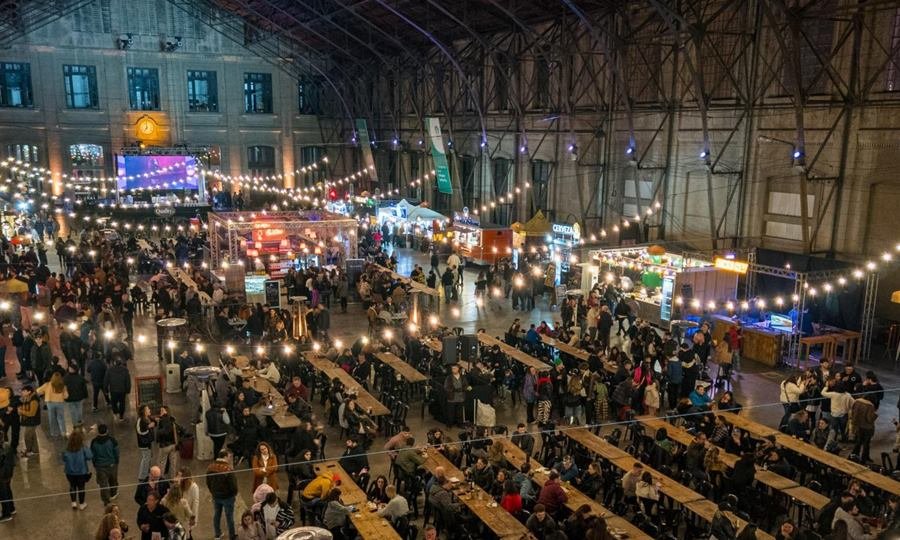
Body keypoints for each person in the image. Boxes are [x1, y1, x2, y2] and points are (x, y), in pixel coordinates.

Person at [207, 450, 238, 540]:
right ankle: (231, 536)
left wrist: (212, 492)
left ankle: (217, 534)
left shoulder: (210, 467)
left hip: (216, 496)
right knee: (229, 517)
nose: (229, 458)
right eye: (229, 456)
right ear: (225, 457)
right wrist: (234, 494)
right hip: (228, 497)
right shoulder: (228, 468)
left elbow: (208, 482)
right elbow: (233, 485)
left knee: (217, 515)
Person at [62, 429, 93, 510]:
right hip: (81, 472)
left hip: (69, 472)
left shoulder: (67, 448)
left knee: (72, 486)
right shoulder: (83, 448)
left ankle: (73, 503)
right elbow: (90, 456)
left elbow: (64, 458)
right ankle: (82, 504)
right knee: (81, 487)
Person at [91, 423, 120, 506]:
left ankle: (106, 500)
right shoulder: (112, 440)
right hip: (111, 464)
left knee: (103, 484)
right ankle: (113, 493)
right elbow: (116, 452)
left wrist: (95, 464)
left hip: (100, 466)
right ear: (107, 430)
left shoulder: (94, 442)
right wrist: (116, 461)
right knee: (113, 480)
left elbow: (93, 455)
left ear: (98, 431)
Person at [37, 371, 68, 438]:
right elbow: (66, 396)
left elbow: (38, 391)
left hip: (50, 403)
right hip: (60, 403)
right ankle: (63, 432)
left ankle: (54, 433)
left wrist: (44, 393)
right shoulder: (63, 386)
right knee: (61, 418)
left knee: (52, 418)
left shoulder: (47, 385)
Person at [849, 392, 877, 463]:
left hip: (858, 425)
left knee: (858, 442)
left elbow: (852, 412)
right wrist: (875, 415)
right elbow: (869, 419)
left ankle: (854, 455)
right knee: (866, 444)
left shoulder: (857, 401)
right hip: (867, 428)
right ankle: (863, 459)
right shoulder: (870, 405)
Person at [155, 405, 179, 476]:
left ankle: (161, 478)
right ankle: (173, 478)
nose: (160, 412)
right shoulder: (172, 419)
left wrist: (158, 432)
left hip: (164, 446)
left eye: (162, 410)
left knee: (161, 463)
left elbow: (162, 432)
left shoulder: (162, 420)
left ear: (166, 411)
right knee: (173, 463)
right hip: (173, 445)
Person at [63, 363, 88, 428]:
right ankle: (79, 420)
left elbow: (63, 388)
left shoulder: (65, 378)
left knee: (72, 411)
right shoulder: (80, 377)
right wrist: (85, 395)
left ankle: (75, 423)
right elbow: (84, 388)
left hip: (69, 398)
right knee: (79, 409)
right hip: (79, 397)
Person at [17, 385, 39, 457]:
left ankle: (29, 450)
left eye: (24, 391)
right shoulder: (26, 398)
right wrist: (20, 410)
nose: (22, 392)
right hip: (28, 420)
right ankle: (35, 451)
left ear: (29, 392)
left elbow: (32, 413)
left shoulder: (34, 400)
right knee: (32, 436)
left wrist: (21, 411)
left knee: (27, 436)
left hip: (32, 421)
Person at [135, 405, 156, 481]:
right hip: (144, 443)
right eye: (148, 409)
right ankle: (142, 476)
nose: (149, 410)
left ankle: (146, 474)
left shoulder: (147, 418)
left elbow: (154, 422)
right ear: (144, 411)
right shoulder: (140, 420)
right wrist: (149, 427)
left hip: (148, 442)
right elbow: (140, 431)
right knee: (145, 459)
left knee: (148, 458)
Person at [0, 440, 15, 522]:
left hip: (2, 474)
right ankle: (11, 508)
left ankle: (6, 514)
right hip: (8, 472)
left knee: (2, 493)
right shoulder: (6, 445)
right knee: (7, 490)